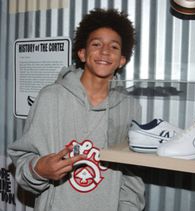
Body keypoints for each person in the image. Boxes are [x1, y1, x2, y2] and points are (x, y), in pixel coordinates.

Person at [8, 8, 145, 211]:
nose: (105, 51)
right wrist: (39, 170)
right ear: (82, 53)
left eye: (114, 47)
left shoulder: (130, 107)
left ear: (122, 59)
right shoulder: (51, 97)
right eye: (96, 44)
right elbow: (23, 160)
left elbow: (132, 173)